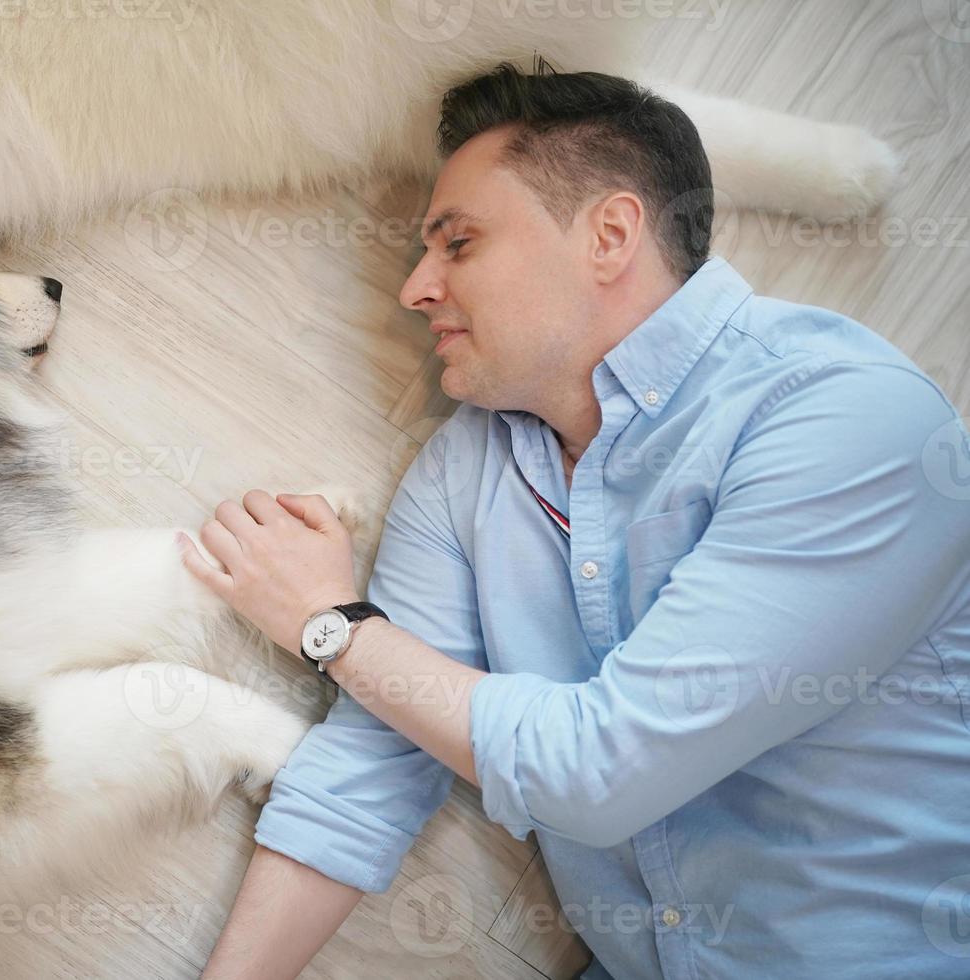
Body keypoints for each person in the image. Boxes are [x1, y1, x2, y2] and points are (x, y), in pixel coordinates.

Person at [177, 62, 970, 979]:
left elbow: (603, 772)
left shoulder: (847, 421)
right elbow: (375, 764)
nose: (416, 289)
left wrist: (335, 627)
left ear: (610, 234)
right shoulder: (465, 473)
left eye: (459, 244)